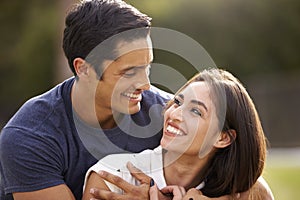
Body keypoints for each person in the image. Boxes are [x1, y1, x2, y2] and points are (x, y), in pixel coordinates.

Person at [0, 0, 172, 199]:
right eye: (129, 72)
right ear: (83, 68)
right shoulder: (29, 137)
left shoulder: (170, 115)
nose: (145, 84)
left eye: (146, 67)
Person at [82, 68, 274, 200]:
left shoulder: (249, 192)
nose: (175, 114)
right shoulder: (113, 176)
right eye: (178, 102)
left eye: (196, 111)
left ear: (223, 137)